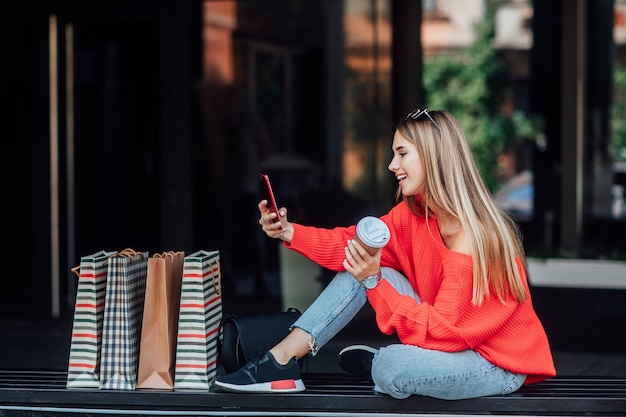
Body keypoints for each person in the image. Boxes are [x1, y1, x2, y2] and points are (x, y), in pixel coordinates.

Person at [214, 109, 556, 400]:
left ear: (433, 157)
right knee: (357, 264)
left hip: (495, 363)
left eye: (402, 153)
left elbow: (446, 334)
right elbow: (349, 246)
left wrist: (375, 282)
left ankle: (380, 364)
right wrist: (290, 231)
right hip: (447, 341)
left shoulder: (473, 235)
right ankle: (281, 360)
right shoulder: (413, 216)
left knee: (393, 366)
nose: (393, 165)